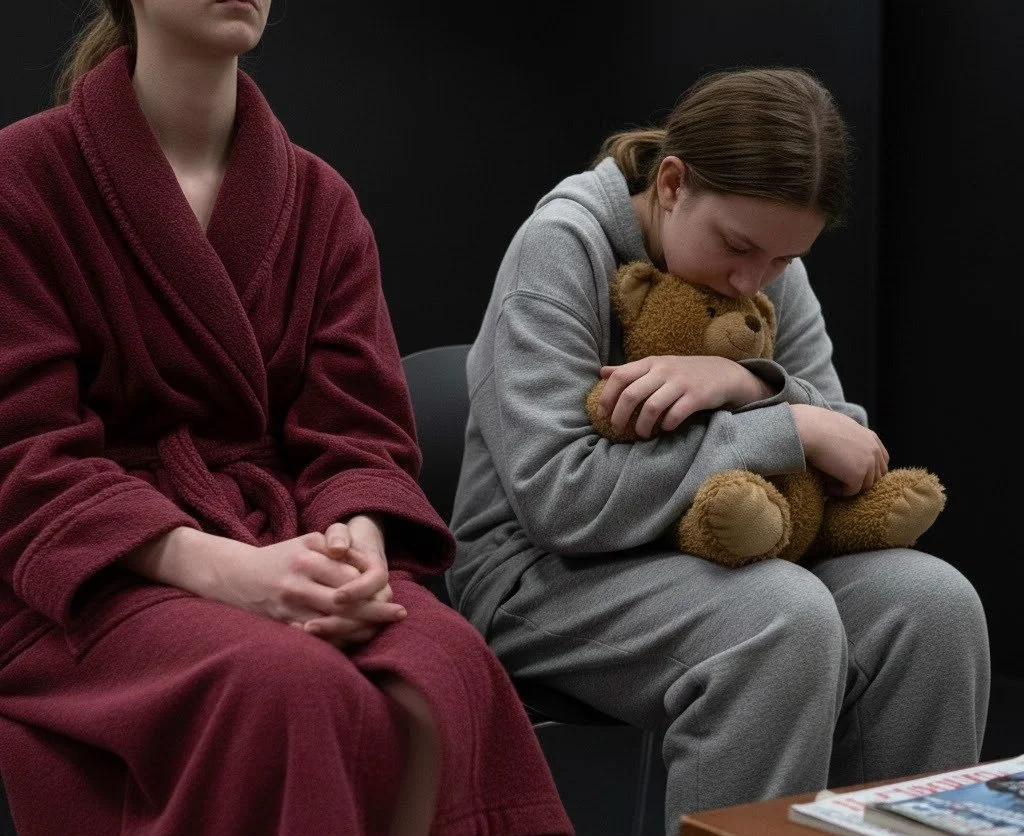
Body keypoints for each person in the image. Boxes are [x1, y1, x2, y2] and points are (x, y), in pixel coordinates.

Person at [0, 2, 574, 835]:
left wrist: (356, 551)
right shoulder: (22, 178)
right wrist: (231, 573)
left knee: (448, 665)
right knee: (291, 688)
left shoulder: (317, 200)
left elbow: (358, 433)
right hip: (84, 576)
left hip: (291, 537)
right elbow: (23, 451)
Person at [446, 66, 991, 834]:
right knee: (781, 620)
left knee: (934, 604)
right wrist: (783, 427)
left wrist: (742, 381)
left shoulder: (765, 262)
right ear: (672, 184)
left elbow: (847, 445)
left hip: (736, 550)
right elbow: (560, 499)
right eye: (738, 247)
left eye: (782, 261)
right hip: (540, 573)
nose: (750, 280)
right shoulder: (563, 244)